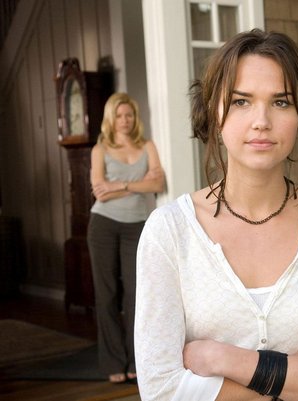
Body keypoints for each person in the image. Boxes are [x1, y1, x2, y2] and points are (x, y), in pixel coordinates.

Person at [134, 29, 298, 401]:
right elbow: (162, 391)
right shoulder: (169, 230)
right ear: (215, 113)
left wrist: (224, 358)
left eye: (280, 102)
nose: (261, 120)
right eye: (241, 101)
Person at [88, 92, 165, 383]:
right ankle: (113, 362)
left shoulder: (147, 146)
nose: (124, 120)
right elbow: (100, 191)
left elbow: (158, 183)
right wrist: (139, 183)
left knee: (138, 295)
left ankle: (136, 360)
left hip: (138, 226)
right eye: (119, 115)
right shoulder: (100, 149)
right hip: (103, 225)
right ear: (111, 118)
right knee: (107, 294)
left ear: (135, 118)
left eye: (129, 115)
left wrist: (119, 185)